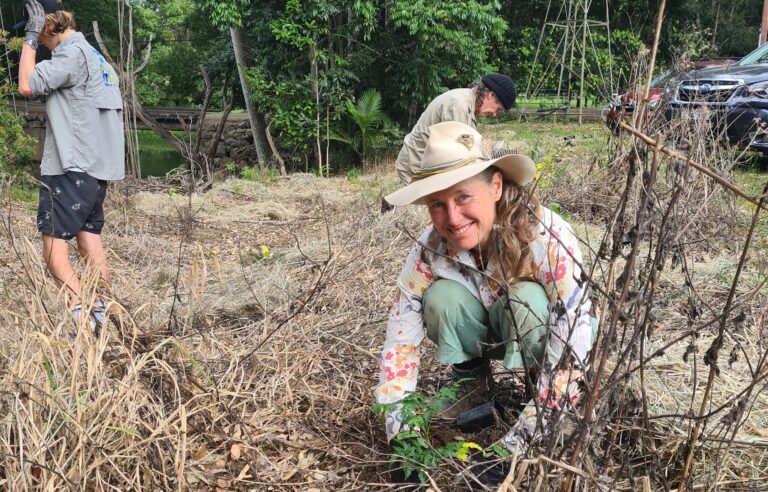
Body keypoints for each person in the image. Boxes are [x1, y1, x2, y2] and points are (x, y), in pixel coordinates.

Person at [376, 121, 596, 459]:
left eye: (463, 196)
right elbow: (400, 338)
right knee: (440, 300)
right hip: (488, 332)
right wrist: (400, 430)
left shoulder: (547, 236)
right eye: (437, 203)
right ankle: (472, 387)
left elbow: (573, 336)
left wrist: (521, 441)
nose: (452, 217)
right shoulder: (430, 249)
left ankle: (549, 402)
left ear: (495, 186)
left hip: (544, 339)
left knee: (527, 299)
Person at [17, 0, 125, 335]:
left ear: (47, 25)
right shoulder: (97, 59)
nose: (42, 44)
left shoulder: (70, 55)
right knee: (90, 244)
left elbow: (26, 84)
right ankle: (106, 316)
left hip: (71, 168)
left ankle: (86, 323)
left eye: (37, 30)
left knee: (53, 253)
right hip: (97, 170)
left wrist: (29, 40)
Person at [394, 73, 517, 185]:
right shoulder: (458, 105)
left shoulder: (469, 104)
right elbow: (459, 154)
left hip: (428, 166)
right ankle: (391, 203)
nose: (495, 114)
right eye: (498, 109)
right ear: (490, 95)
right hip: (416, 167)